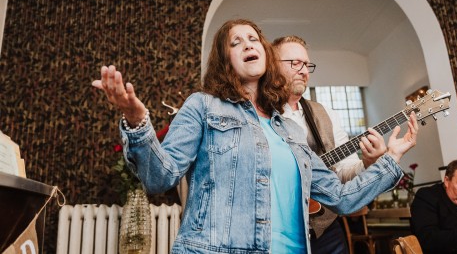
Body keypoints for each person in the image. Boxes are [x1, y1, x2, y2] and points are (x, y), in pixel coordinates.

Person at [92, 18, 419, 254]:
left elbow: (343, 198)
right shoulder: (203, 107)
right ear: (226, 62)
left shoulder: (292, 131)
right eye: (236, 42)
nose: (248, 43)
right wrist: (136, 119)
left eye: (253, 38)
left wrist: (392, 158)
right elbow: (159, 177)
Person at [272, 35, 387, 254]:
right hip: (278, 231)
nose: (304, 70)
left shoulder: (327, 115)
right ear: (272, 66)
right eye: (295, 63)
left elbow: (343, 171)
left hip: (325, 230)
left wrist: (369, 162)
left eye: (307, 65)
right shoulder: (259, 114)